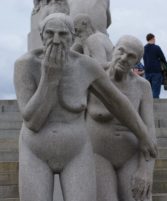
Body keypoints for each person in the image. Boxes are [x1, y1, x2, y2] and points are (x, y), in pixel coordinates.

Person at [14, 13, 157, 201]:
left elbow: (118, 103)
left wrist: (143, 136)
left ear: (72, 37)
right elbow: (33, 121)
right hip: (35, 151)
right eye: (50, 33)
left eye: (63, 34)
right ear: (42, 36)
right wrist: (50, 79)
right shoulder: (25, 65)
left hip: (76, 150)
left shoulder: (86, 67)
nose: (56, 41)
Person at [86, 35, 156, 201]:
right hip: (98, 155)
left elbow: (150, 130)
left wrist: (146, 170)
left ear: (137, 61)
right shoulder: (92, 78)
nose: (124, 58)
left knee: (139, 197)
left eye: (131, 56)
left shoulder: (142, 86)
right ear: (113, 50)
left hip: (130, 156)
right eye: (121, 51)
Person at [143, 33, 167, 98]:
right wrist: (166, 66)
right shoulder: (157, 48)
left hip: (147, 71)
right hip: (156, 71)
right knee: (155, 91)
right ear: (153, 38)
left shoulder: (144, 48)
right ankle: (155, 106)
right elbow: (163, 58)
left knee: (148, 91)